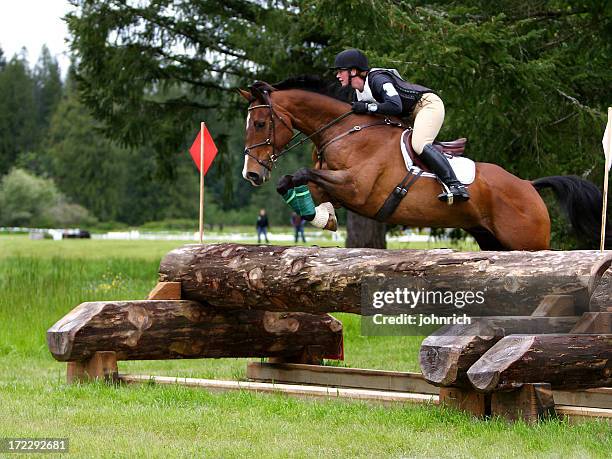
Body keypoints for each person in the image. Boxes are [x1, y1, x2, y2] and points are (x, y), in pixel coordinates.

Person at [330, 48, 469, 203]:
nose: (337, 75)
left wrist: (368, 108)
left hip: (427, 105)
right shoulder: (359, 92)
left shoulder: (378, 79)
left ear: (353, 71)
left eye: (340, 71)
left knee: (419, 144)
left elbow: (395, 106)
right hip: (409, 115)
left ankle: (455, 185)